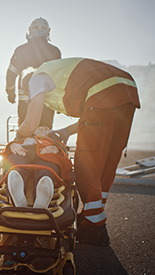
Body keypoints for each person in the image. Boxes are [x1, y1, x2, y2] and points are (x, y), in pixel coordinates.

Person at [18, 58, 140, 246]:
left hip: (102, 93)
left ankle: (95, 227)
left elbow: (31, 123)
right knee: (107, 160)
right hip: (127, 91)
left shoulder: (36, 78)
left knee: (87, 162)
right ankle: (94, 214)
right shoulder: (61, 76)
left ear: (26, 87)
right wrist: (65, 131)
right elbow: (93, 114)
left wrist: (18, 137)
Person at [5, 17, 61, 128]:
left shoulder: (21, 50)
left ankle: (25, 144)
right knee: (44, 129)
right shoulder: (55, 51)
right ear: (48, 31)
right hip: (47, 98)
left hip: (25, 98)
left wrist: (10, 92)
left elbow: (11, 73)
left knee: (26, 126)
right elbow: (58, 77)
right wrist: (58, 101)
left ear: (30, 30)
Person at [2, 126, 72, 209]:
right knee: (15, 163)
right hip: (23, 150)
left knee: (47, 167)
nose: (42, 129)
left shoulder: (53, 141)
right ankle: (16, 182)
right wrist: (12, 145)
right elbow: (7, 150)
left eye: (46, 129)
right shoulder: (24, 139)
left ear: (49, 134)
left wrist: (56, 148)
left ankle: (44, 186)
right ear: (33, 132)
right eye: (39, 128)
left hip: (45, 153)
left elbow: (63, 150)